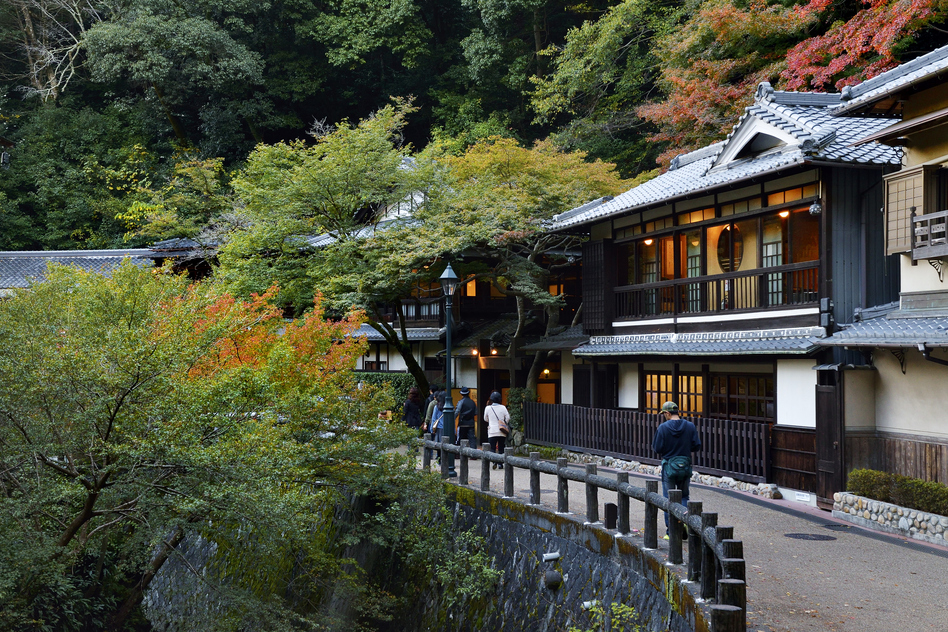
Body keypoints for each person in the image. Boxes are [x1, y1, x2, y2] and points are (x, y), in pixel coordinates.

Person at [651, 401, 701, 539]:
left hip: (669, 466)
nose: (664, 417)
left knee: (669, 499)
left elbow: (657, 448)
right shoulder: (690, 426)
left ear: (667, 413)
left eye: (664, 414)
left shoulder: (663, 428)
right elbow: (696, 446)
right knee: (684, 496)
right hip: (685, 466)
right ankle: (685, 522)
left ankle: (671, 532)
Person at [484, 391, 510, 469]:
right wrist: (503, 422)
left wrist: (491, 422)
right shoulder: (503, 407)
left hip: (492, 431)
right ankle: (500, 464)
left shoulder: (488, 408)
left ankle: (494, 461)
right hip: (501, 430)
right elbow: (508, 418)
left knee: (492, 448)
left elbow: (485, 418)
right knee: (501, 447)